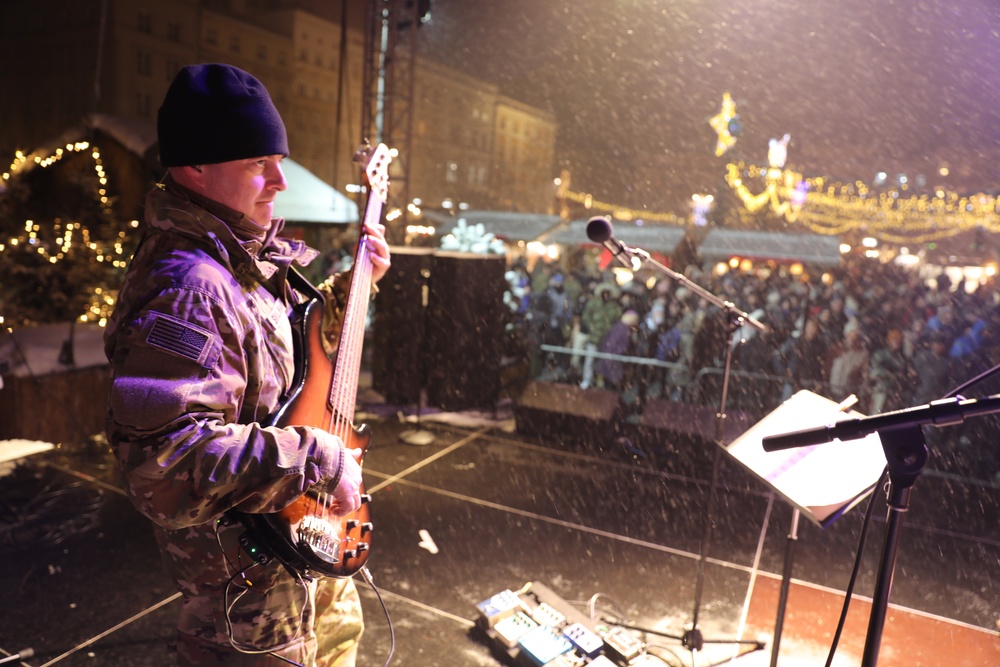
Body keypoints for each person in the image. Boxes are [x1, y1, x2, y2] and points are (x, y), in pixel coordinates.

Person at [103, 63, 391, 667]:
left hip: (300, 555)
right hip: (250, 610)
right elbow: (164, 466)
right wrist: (316, 458)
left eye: (277, 160)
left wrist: (350, 292)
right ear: (195, 166)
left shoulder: (241, 261)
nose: (280, 181)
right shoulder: (188, 287)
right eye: (257, 163)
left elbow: (283, 363)